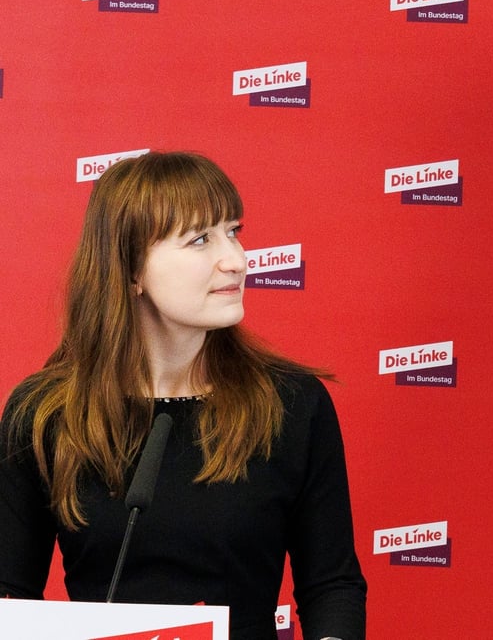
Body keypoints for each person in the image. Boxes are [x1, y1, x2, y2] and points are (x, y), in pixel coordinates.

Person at [0, 151, 367, 640]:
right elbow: (9, 595)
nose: (236, 260)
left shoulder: (293, 404)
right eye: (200, 240)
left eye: (233, 231)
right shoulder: (44, 414)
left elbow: (332, 586)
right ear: (131, 272)